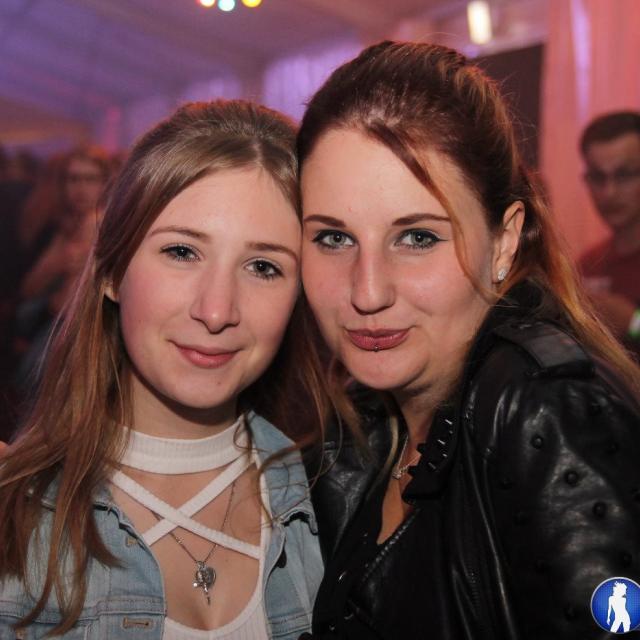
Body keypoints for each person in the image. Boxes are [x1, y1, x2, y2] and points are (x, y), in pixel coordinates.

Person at [297, 41, 640, 639]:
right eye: (333, 238)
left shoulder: (544, 409)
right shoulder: (363, 426)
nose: (367, 292)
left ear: (503, 242)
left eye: (418, 238)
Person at [0, 100, 323, 639]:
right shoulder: (18, 518)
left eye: (263, 266)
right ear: (111, 272)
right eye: (181, 252)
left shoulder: (334, 498)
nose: (216, 310)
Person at [578, 111, 640, 356]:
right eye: (598, 177)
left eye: (624, 175)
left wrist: (633, 322)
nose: (609, 192)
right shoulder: (589, 264)